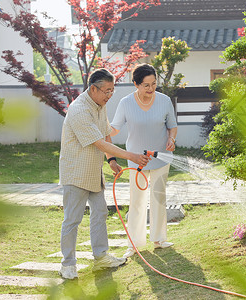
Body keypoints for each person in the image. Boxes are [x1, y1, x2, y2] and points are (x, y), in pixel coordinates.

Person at [58, 68, 149, 280]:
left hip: (93, 172)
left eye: (112, 91)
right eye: (106, 91)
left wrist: (112, 160)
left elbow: (105, 133)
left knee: (100, 213)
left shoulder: (100, 105)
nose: (110, 96)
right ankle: (68, 264)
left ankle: (101, 257)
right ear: (93, 89)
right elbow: (97, 142)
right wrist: (131, 156)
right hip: (76, 172)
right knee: (72, 219)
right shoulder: (79, 109)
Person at [110, 63, 177, 258]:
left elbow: (172, 126)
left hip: (161, 157)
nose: (150, 89)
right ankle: (134, 244)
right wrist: (102, 131)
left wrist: (171, 139)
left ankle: (159, 239)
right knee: (137, 201)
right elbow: (114, 128)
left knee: (158, 197)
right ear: (136, 84)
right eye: (146, 85)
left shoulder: (164, 101)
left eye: (154, 84)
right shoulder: (125, 103)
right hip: (136, 160)